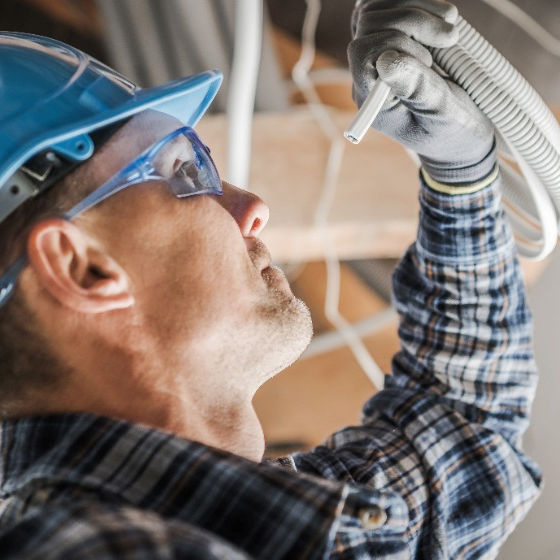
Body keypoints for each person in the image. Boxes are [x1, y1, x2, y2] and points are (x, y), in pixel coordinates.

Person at [0, 0, 542, 558]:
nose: (253, 208)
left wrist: (460, 170)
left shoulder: (265, 518)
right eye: (185, 170)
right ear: (81, 266)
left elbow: (465, 432)